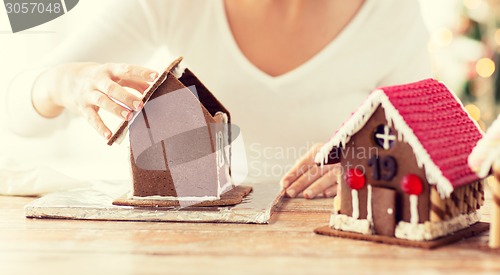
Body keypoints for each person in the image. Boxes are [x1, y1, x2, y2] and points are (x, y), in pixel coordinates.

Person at [5, 0, 432, 198]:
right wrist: (63, 82)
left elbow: (425, 142)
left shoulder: (393, 12)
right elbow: (15, 112)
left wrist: (374, 159)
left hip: (325, 251)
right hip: (190, 253)